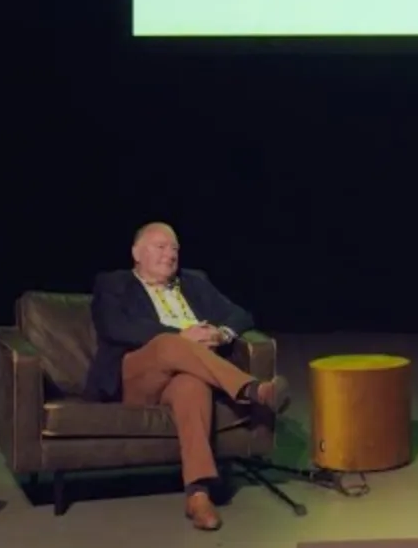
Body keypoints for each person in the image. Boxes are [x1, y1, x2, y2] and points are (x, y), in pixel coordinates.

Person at [84, 222, 288, 531]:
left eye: (175, 249)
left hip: (182, 374)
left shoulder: (194, 282)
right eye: (161, 247)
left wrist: (221, 334)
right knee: (168, 344)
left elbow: (240, 314)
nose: (170, 255)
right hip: (136, 375)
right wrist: (183, 336)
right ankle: (251, 390)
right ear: (136, 253)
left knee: (191, 387)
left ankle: (198, 494)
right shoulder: (113, 284)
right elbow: (115, 327)